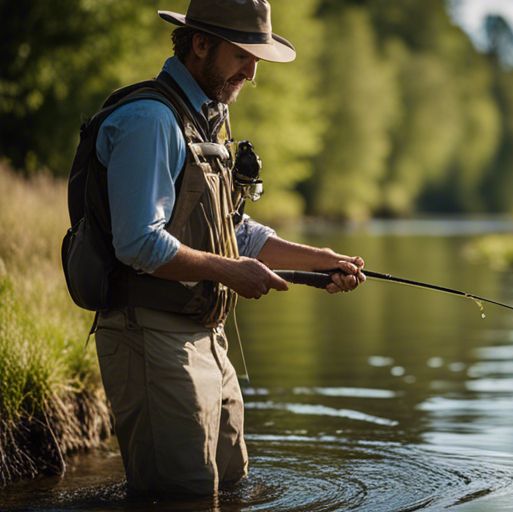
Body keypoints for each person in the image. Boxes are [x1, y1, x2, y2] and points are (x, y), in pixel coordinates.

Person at [90, 0, 365, 496]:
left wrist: (320, 261)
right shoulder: (151, 120)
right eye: (244, 56)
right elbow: (138, 243)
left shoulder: (203, 120)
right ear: (200, 44)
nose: (253, 73)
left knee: (232, 485)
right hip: (152, 337)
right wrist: (231, 273)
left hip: (204, 335)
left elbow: (233, 232)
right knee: (181, 496)